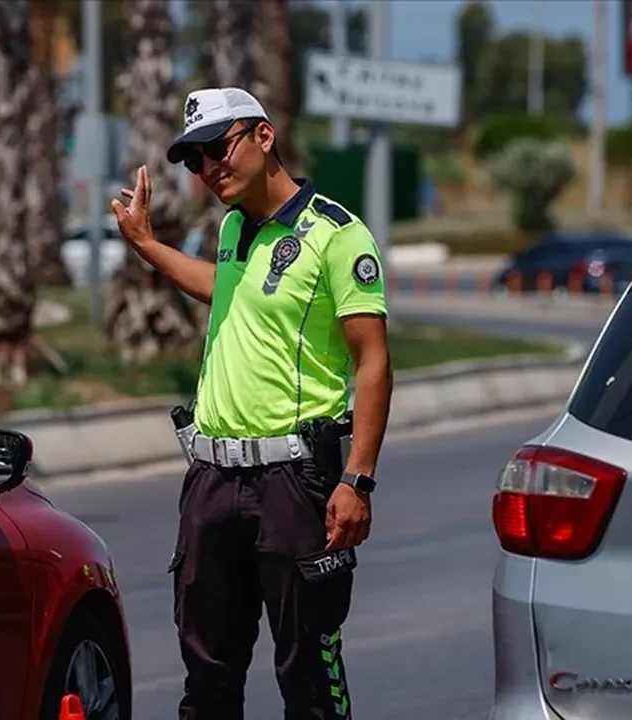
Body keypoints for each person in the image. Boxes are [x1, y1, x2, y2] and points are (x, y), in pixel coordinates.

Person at [111, 87, 393, 719]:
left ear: (263, 137)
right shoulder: (235, 227)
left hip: (294, 481)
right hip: (212, 480)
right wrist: (147, 246)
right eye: (195, 160)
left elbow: (372, 362)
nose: (210, 169)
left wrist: (358, 479)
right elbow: (226, 288)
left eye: (218, 149)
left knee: (308, 677)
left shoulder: (336, 235)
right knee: (207, 678)